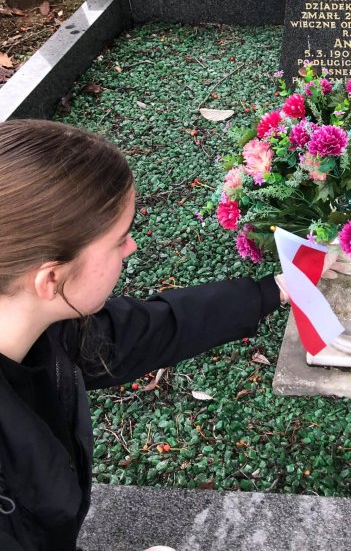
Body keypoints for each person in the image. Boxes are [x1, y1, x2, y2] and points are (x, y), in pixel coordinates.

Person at [0, 119, 288, 551]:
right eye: (119, 241)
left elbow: (144, 331)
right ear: (51, 279)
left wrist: (275, 290)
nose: (132, 248)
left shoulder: (47, 330)